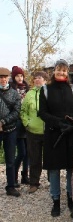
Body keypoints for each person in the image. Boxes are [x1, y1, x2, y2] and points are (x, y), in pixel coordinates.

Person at [39, 59, 73, 217]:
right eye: (59, 70)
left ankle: (71, 198)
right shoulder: (45, 89)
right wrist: (59, 123)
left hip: (72, 134)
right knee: (54, 170)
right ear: (54, 71)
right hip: (54, 133)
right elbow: (42, 113)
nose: (61, 73)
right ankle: (56, 200)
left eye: (64, 70)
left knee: (72, 168)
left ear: (68, 72)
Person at [20, 71, 48, 193]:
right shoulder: (29, 94)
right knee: (35, 158)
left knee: (50, 158)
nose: (37, 80)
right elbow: (23, 111)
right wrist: (27, 123)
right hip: (33, 132)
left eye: (40, 78)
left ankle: (53, 182)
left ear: (45, 80)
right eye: (35, 78)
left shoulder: (49, 93)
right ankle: (34, 182)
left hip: (48, 131)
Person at [0, 67, 21, 197]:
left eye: (4, 77)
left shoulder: (14, 93)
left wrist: (3, 122)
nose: (2, 79)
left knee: (10, 159)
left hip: (10, 130)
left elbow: (16, 111)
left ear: (8, 78)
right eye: (0, 77)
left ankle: (11, 186)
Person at [9, 66, 30, 187]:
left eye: (21, 76)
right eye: (17, 76)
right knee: (21, 152)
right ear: (14, 77)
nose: (20, 78)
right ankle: (14, 177)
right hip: (17, 123)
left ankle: (24, 176)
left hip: (27, 123)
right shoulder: (12, 91)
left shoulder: (27, 89)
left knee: (28, 153)